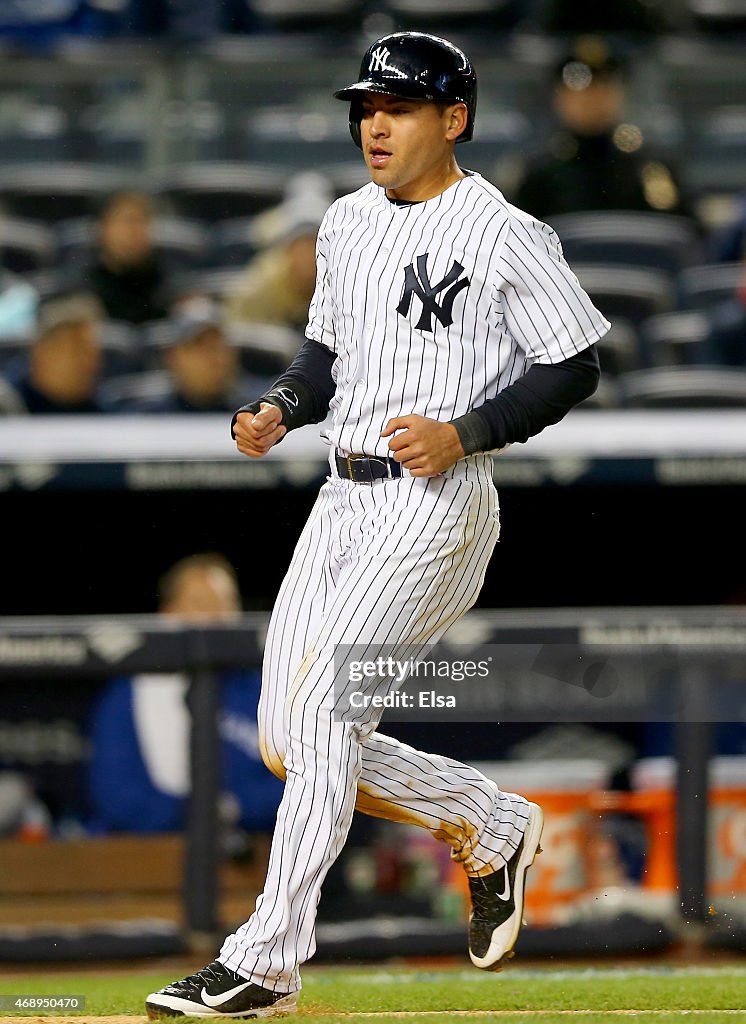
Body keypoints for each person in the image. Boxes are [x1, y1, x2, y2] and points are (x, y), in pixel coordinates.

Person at [146, 31, 608, 1019]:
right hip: (340, 497)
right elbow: (322, 359)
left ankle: (263, 962)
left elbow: (573, 361)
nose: (375, 125)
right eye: (365, 108)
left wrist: (469, 429)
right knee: (287, 738)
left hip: (434, 505)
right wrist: (278, 404)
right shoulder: (348, 224)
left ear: (454, 119)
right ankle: (486, 822)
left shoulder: (498, 227)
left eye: (396, 108)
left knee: (320, 720)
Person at [88, 552, 284, 834]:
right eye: (200, 604)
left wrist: (233, 809)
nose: (216, 617)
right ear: (168, 613)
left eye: (225, 604)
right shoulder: (129, 693)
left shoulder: (264, 690)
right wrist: (194, 815)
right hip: (151, 852)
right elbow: (115, 794)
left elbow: (297, 783)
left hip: (257, 850)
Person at [513, 36, 690, 221]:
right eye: (581, 90)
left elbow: (683, 236)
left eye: (604, 88)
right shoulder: (538, 175)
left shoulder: (650, 169)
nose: (593, 99)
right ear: (559, 98)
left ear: (621, 94)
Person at [115, 307, 273, 413]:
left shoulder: (262, 409)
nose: (213, 357)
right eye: (200, 348)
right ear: (173, 357)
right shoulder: (145, 414)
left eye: (218, 346)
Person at [223, 180, 332, 332]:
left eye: (315, 246)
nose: (307, 257)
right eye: (301, 247)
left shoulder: (349, 285)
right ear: (287, 251)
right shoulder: (256, 292)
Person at [77, 190, 172, 325]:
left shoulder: (168, 289)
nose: (132, 232)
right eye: (125, 221)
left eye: (140, 221)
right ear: (102, 228)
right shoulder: (82, 290)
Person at [2, 291, 105, 414]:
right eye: (76, 351)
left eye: (92, 352)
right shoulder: (5, 403)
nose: (88, 362)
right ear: (40, 351)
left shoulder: (105, 414)